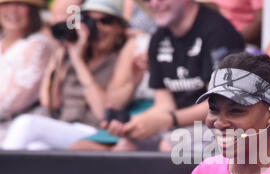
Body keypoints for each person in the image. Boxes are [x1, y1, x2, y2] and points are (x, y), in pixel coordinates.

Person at [75, 0, 245, 152]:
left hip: (224, 126)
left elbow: (222, 103)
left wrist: (168, 120)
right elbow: (164, 104)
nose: (154, 4)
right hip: (179, 125)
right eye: (147, 0)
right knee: (119, 146)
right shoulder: (158, 38)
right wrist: (132, 123)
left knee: (171, 145)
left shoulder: (218, 31)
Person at [2, 0, 128, 150]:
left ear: (120, 28)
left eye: (105, 21)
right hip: (63, 127)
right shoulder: (72, 53)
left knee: (26, 123)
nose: (97, 28)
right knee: (36, 148)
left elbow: (104, 113)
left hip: (94, 132)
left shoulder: (120, 59)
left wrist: (79, 62)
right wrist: (60, 59)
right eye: (90, 21)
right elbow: (49, 103)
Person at [0, 0, 53, 143]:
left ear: (33, 10)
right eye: (6, 4)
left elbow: (14, 100)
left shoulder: (38, 45)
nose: (13, 10)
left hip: (19, 130)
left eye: (20, 4)